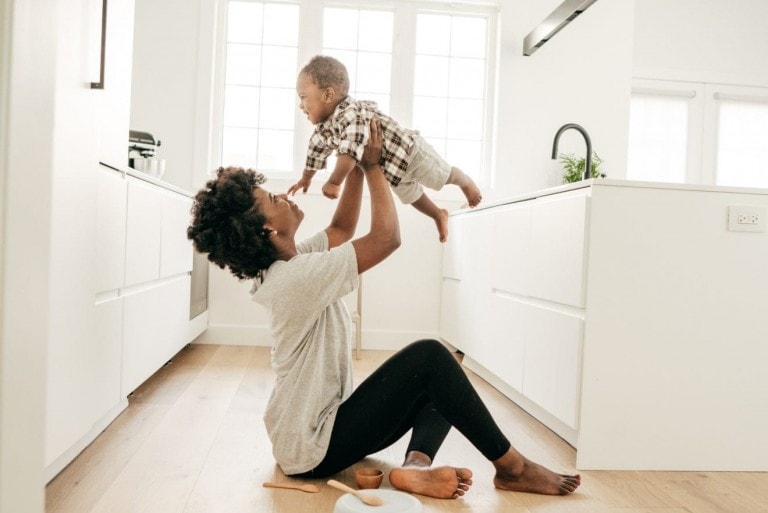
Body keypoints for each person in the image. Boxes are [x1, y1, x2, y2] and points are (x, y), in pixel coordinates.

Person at [187, 119, 580, 499]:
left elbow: (341, 229)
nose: (284, 196)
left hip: (314, 432)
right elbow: (387, 238)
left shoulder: (288, 265)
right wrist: (374, 167)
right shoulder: (295, 279)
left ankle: (415, 466)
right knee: (430, 357)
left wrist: (357, 160)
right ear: (267, 231)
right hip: (309, 446)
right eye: (273, 200)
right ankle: (514, 468)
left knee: (444, 379)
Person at [288, 55, 482, 243]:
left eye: (303, 97)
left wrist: (334, 182)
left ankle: (464, 181)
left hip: (411, 153)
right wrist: (306, 179)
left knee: (440, 176)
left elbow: (349, 152)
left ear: (328, 95)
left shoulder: (350, 114)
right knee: (411, 196)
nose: (300, 105)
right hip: (390, 170)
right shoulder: (324, 128)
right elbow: (315, 152)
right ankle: (438, 214)